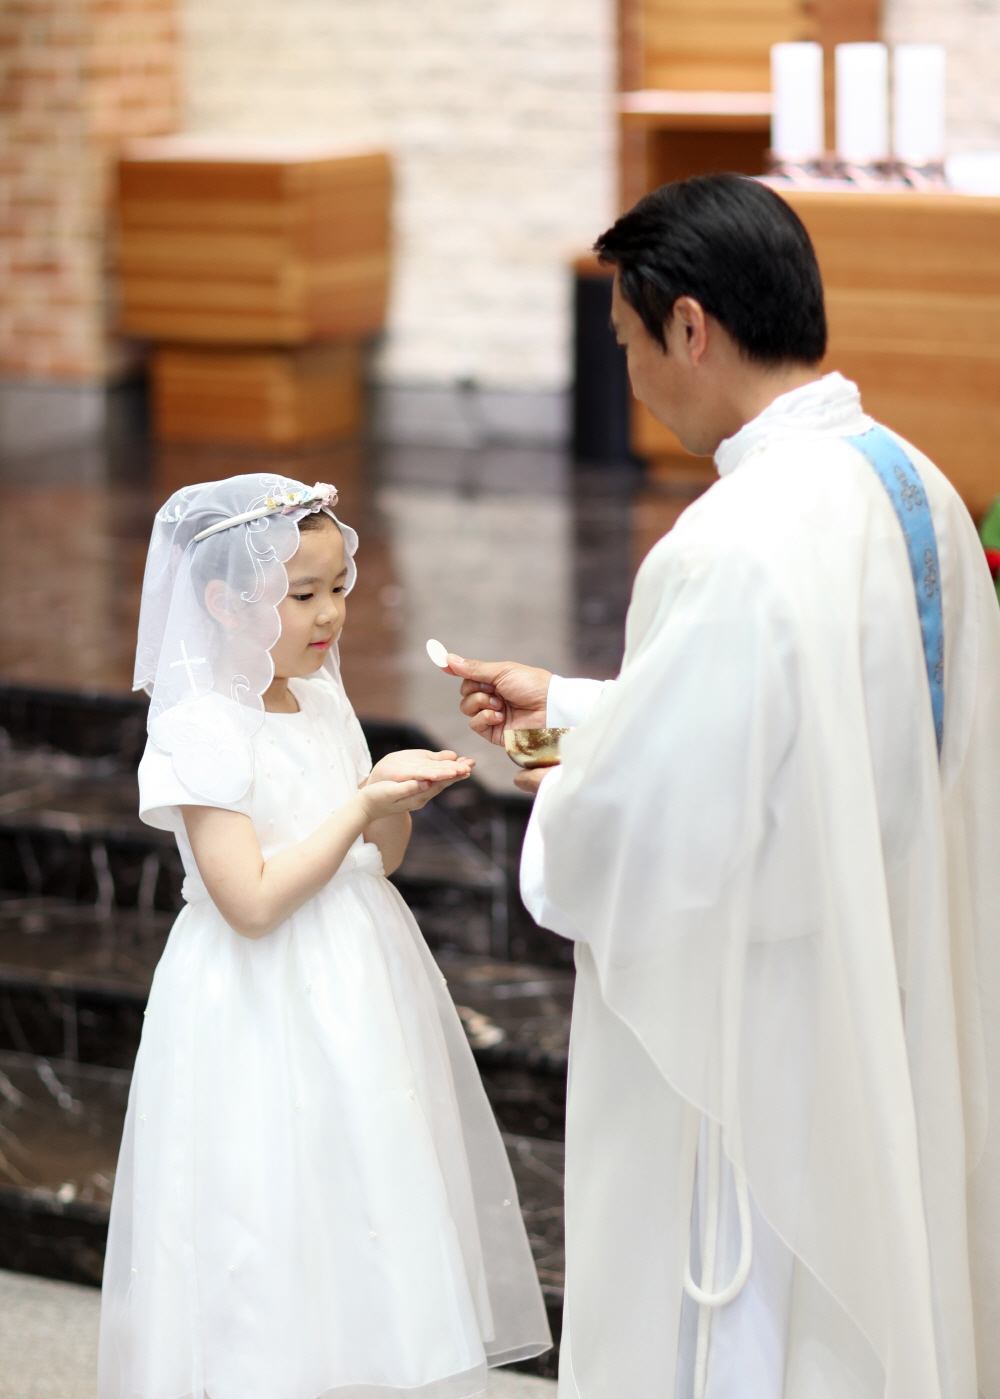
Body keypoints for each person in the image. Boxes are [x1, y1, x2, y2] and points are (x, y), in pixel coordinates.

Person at [447, 175, 1000, 1399]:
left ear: (688, 326)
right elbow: (822, 735)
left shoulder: (733, 540)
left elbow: (652, 839)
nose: (633, 374)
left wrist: (552, 771)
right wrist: (576, 708)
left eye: (627, 341)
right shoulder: (912, 485)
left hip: (767, 1026)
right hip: (891, 976)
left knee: (758, 1336)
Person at [99, 475, 550, 1399]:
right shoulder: (200, 725)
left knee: (367, 1180)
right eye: (301, 594)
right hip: (255, 991)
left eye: (339, 586)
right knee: (265, 1196)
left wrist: (392, 799)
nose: (330, 614)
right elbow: (251, 900)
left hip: (355, 976)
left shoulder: (320, 700)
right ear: (224, 602)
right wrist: (359, 806)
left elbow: (378, 859)